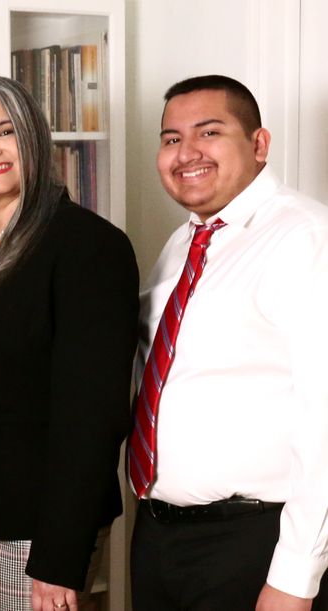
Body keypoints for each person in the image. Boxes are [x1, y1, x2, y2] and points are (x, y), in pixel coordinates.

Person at [0, 75, 139, 611]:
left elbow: (94, 416)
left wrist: (60, 558)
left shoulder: (89, 245)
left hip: (34, 524)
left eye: (4, 132)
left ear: (33, 137)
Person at [128, 74, 328, 611]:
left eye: (208, 132)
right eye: (171, 139)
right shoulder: (181, 245)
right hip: (159, 537)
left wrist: (295, 577)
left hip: (252, 543)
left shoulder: (307, 238)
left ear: (259, 144)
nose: (185, 152)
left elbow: (324, 421)